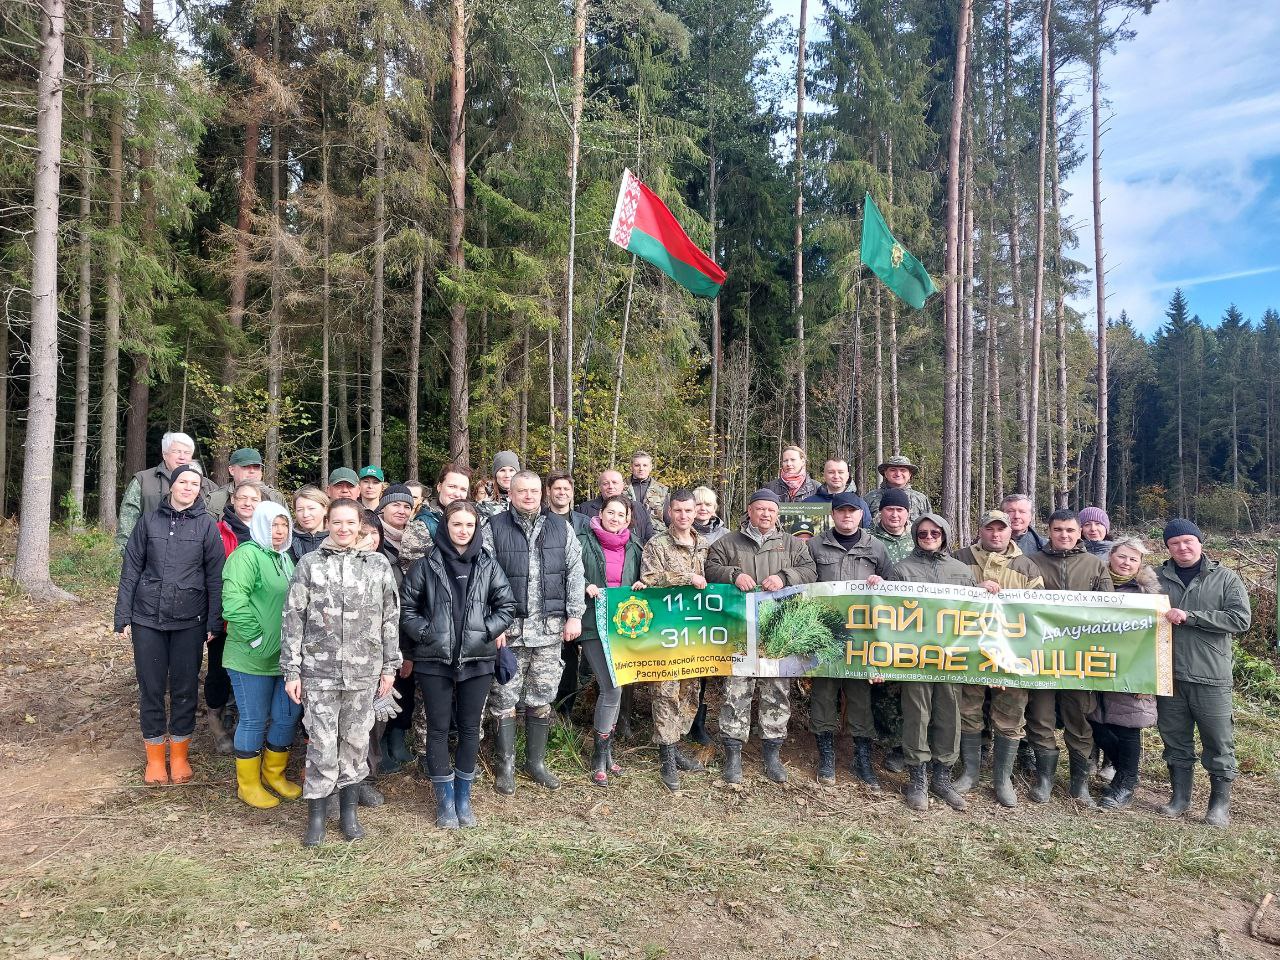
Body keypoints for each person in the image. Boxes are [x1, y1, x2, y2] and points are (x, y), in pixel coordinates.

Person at [281, 498, 401, 847]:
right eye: (337, 522)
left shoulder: (377, 566)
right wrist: (291, 670)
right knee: (320, 743)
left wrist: (390, 666)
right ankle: (317, 816)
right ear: (327, 524)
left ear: (360, 524)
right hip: (319, 673)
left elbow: (390, 620)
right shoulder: (309, 564)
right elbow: (293, 620)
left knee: (355, 742)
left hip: (364, 673)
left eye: (351, 522)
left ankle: (348, 814)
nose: (344, 529)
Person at [400, 501, 518, 828]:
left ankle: (464, 797)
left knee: (469, 729)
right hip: (434, 660)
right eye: (457, 524)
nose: (463, 531)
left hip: (477, 660)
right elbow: (407, 608)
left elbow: (506, 605)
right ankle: (445, 800)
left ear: (476, 528)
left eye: (469, 525)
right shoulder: (425, 565)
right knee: (437, 729)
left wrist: (485, 632)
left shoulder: (488, 565)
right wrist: (426, 634)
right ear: (446, 526)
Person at [115, 465, 225, 785]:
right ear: (171, 487)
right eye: (183, 482)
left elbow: (215, 578)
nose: (188, 487)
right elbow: (131, 570)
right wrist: (123, 615)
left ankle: (178, 756)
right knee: (150, 688)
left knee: (185, 688)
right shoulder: (148, 522)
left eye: (195, 483)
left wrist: (213, 620)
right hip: (147, 617)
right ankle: (154, 758)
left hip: (190, 621)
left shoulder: (206, 526)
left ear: (200, 490)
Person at [483, 470, 586, 794]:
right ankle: (506, 766)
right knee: (503, 698)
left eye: (533, 490)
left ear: (541, 493)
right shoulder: (494, 528)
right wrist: (493, 624)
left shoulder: (560, 527)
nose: (528, 496)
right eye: (522, 491)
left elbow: (575, 571)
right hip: (510, 634)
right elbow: (482, 578)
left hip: (549, 630)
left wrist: (575, 615)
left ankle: (536, 763)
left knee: (542, 697)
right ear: (510, 494)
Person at [705, 489, 817, 784]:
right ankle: (732, 755)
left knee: (777, 692)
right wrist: (732, 574)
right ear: (749, 510)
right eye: (760, 509)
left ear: (777, 513)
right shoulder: (728, 542)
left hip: (777, 634)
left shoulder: (792, 544)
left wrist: (784, 577)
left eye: (771, 510)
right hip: (739, 632)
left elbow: (809, 571)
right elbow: (709, 567)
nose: (765, 514)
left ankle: (772, 754)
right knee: (735, 692)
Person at [1155, 519, 1251, 827]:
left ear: (1200, 542)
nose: (1182, 547)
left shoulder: (1225, 578)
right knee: (1174, 739)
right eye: (1175, 543)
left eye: (1188, 541)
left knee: (1218, 741)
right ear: (1167, 547)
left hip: (1211, 675)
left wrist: (1191, 617)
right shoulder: (1155, 578)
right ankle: (1180, 798)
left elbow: (1239, 619)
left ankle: (1218, 804)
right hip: (1168, 674)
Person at [953, 510, 1045, 807]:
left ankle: (1002, 779)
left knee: (1010, 714)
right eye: (989, 529)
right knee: (968, 709)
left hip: (1012, 655)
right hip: (969, 650)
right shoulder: (960, 558)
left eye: (1001, 529)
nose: (995, 534)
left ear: (1010, 532)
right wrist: (972, 591)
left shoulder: (1026, 566)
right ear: (980, 530)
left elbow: (1037, 613)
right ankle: (970, 772)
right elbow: (943, 598)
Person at [886, 514, 975, 811]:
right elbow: (887, 614)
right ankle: (918, 778)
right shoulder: (901, 570)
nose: (928, 536)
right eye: (922, 533)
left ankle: (942, 776)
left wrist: (989, 593)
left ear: (945, 534)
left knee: (949, 715)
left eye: (934, 532)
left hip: (952, 657)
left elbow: (978, 613)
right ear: (915, 536)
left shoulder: (962, 571)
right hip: (915, 657)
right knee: (917, 715)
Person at [1027, 509, 1114, 807]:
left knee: (1079, 718)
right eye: (1058, 530)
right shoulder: (1032, 563)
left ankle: (1080, 784)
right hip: (1040, 656)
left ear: (1079, 533)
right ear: (1049, 531)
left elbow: (1110, 611)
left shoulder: (1095, 566)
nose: (1064, 535)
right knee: (1040, 717)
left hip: (1079, 658)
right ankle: (1045, 779)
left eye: (1069, 530)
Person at [221, 502, 301, 809]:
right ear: (258, 525)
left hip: (284, 658)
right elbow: (233, 602)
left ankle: (273, 774)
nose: (279, 531)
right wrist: (256, 638)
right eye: (272, 525)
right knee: (254, 719)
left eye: (284, 525)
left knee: (287, 715)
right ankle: (248, 784)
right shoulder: (247, 555)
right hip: (250, 657)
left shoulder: (284, 558)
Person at [806, 492, 890, 787]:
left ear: (861, 515)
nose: (846, 516)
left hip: (862, 637)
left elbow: (891, 589)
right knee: (823, 693)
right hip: (825, 633)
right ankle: (826, 755)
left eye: (852, 512)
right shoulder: (816, 545)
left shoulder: (876, 547)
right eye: (841, 512)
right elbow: (805, 581)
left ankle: (862, 758)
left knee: (859, 696)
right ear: (833, 515)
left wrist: (881, 584)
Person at [638, 489, 712, 791]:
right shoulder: (657, 544)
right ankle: (667, 756)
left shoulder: (704, 545)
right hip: (666, 631)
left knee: (690, 691)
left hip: (694, 632)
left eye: (689, 511)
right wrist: (686, 578)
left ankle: (677, 743)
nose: (683, 516)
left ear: (696, 512)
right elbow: (650, 579)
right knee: (665, 691)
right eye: (678, 511)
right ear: (670, 511)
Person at [578, 496, 644, 786]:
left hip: (624, 627)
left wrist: (644, 584)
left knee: (616, 687)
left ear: (628, 519)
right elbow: (568, 574)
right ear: (601, 513)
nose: (615, 518)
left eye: (621, 514)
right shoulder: (583, 541)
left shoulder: (636, 546)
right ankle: (598, 756)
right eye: (611, 512)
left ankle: (607, 754)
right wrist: (584, 586)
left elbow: (648, 577)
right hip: (592, 623)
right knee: (611, 688)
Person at [1092, 537, 1160, 811]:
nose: (1126, 562)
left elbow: (1157, 638)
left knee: (1127, 727)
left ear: (1141, 564)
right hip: (1096, 664)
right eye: (1122, 556)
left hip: (1133, 668)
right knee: (1098, 723)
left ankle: (1125, 783)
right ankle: (1123, 772)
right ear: (1111, 556)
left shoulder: (1149, 595)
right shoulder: (1094, 584)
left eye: (1133, 559)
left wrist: (1149, 676)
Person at [207, 480, 265, 753]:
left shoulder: (266, 534)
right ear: (232, 500)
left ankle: (245, 722)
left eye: (253, 499)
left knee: (250, 671)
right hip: (224, 615)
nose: (247, 503)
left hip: (259, 619)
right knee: (219, 670)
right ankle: (216, 722)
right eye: (242, 498)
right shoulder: (218, 531)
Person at [374, 485, 418, 773]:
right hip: (377, 631)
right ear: (382, 509)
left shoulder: (416, 541)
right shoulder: (373, 540)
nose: (401, 510)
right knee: (382, 689)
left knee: (406, 685)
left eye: (406, 506)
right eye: (395, 505)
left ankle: (398, 738)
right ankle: (378, 746)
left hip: (409, 628)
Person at [115, 431, 214, 551]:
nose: (182, 457)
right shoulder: (143, 481)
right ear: (164, 454)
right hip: (149, 558)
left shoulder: (208, 486)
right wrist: (130, 560)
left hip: (193, 562)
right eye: (176, 451)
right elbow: (126, 527)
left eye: (186, 452)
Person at [402, 463, 472, 566]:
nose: (457, 494)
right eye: (452, 487)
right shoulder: (421, 524)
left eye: (463, 489)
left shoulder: (474, 521)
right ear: (439, 487)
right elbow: (411, 569)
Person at [206, 447, 285, 518]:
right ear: (232, 470)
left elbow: (286, 530)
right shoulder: (215, 499)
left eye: (256, 467)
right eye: (246, 466)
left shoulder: (274, 497)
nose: (252, 471)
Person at [580, 470, 655, 543]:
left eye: (614, 482)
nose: (611, 486)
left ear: (622, 486)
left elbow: (650, 537)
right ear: (600, 487)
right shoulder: (584, 509)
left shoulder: (638, 507)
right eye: (605, 483)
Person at [864, 455, 932, 521]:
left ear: (909, 475)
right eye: (893, 470)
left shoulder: (920, 499)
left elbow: (928, 526)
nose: (898, 474)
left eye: (903, 470)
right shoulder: (870, 498)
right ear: (885, 473)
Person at [871, 489, 914, 565]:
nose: (894, 515)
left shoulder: (917, 538)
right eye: (890, 509)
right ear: (880, 511)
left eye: (899, 510)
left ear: (907, 513)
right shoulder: (867, 538)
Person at [628, 450, 669, 528]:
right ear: (631, 467)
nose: (641, 468)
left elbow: (668, 518)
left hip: (656, 536)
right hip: (629, 534)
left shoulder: (661, 490)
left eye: (645, 465)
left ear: (650, 467)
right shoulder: (621, 487)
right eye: (637, 465)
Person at [290, 486, 329, 562]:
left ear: (325, 509)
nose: (305, 514)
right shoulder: (288, 541)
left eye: (311, 508)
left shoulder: (337, 537)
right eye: (300, 510)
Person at [546, 470, 591, 536]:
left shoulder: (584, 523)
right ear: (548, 491)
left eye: (566, 489)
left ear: (572, 492)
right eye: (557, 488)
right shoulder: (538, 522)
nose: (562, 493)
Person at [478, 450, 519, 518]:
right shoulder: (483, 506)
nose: (507, 475)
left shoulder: (528, 501)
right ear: (495, 474)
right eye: (502, 470)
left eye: (511, 470)